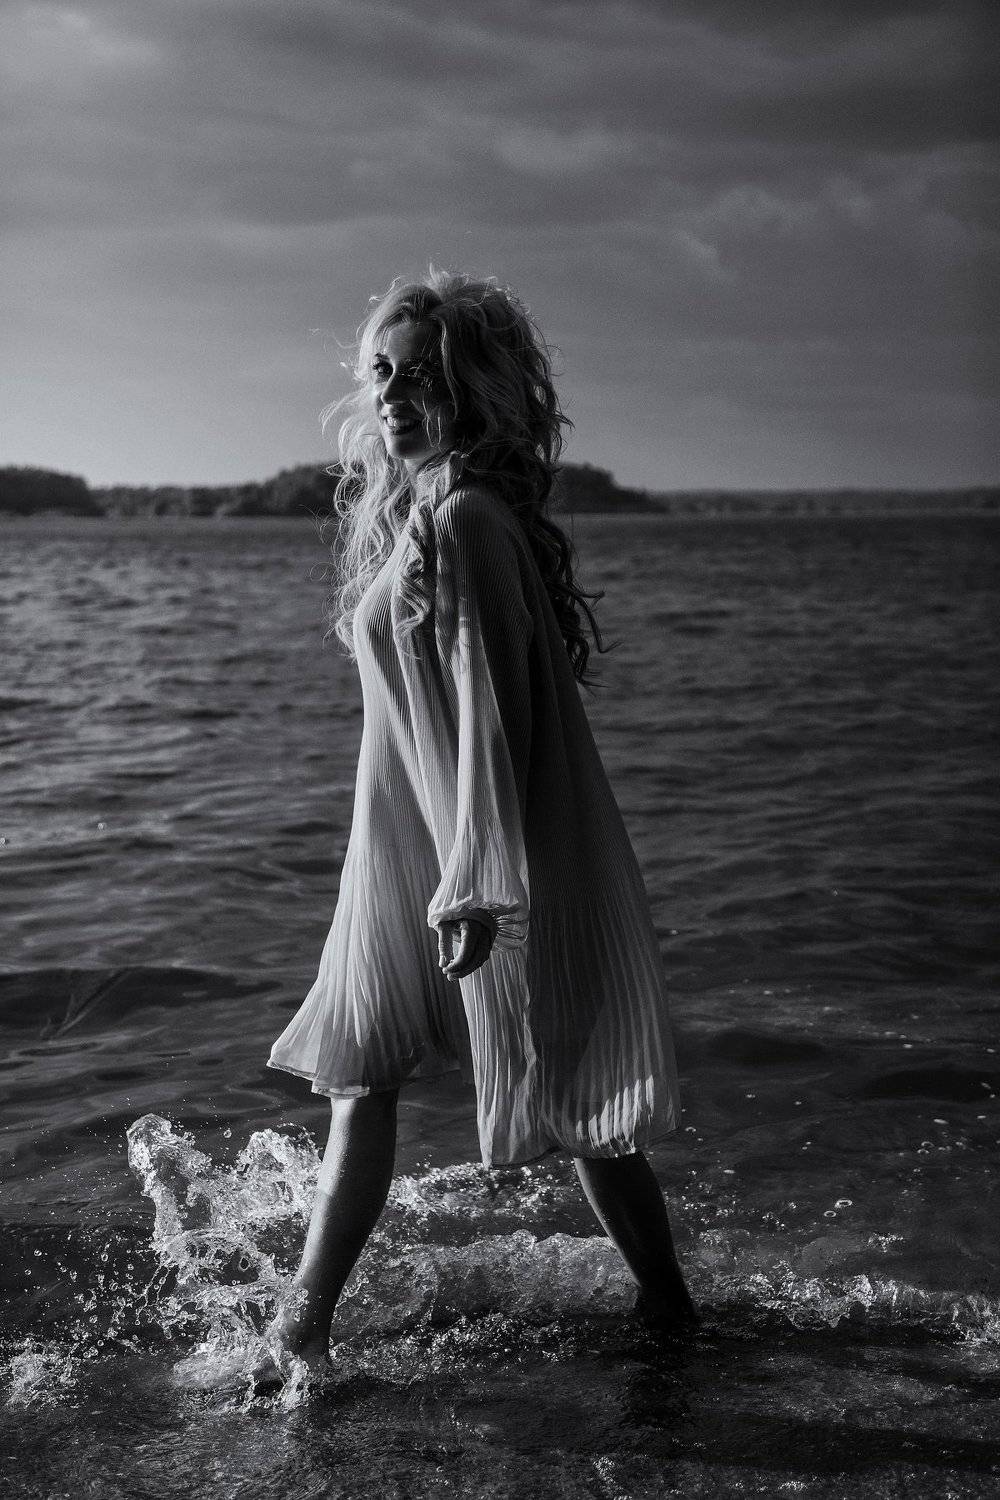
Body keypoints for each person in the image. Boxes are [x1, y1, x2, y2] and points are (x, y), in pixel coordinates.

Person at [257, 268, 696, 1391]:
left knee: (579, 1100)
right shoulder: (424, 515)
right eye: (383, 373)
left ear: (476, 389)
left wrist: (474, 881)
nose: (395, 395)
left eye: (425, 375)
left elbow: (494, 716)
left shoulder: (465, 520)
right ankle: (302, 1327)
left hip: (483, 852)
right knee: (367, 1077)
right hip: (404, 843)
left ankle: (670, 1310)